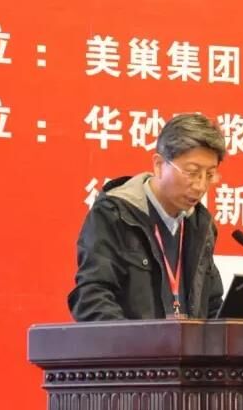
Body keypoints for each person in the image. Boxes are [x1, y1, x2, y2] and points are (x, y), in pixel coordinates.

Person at [68, 113, 226, 321]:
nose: (200, 185)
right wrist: (135, 339)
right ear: (159, 164)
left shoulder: (200, 224)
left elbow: (212, 304)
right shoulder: (115, 214)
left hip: (187, 343)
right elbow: (91, 296)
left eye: (209, 175)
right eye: (191, 172)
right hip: (133, 343)